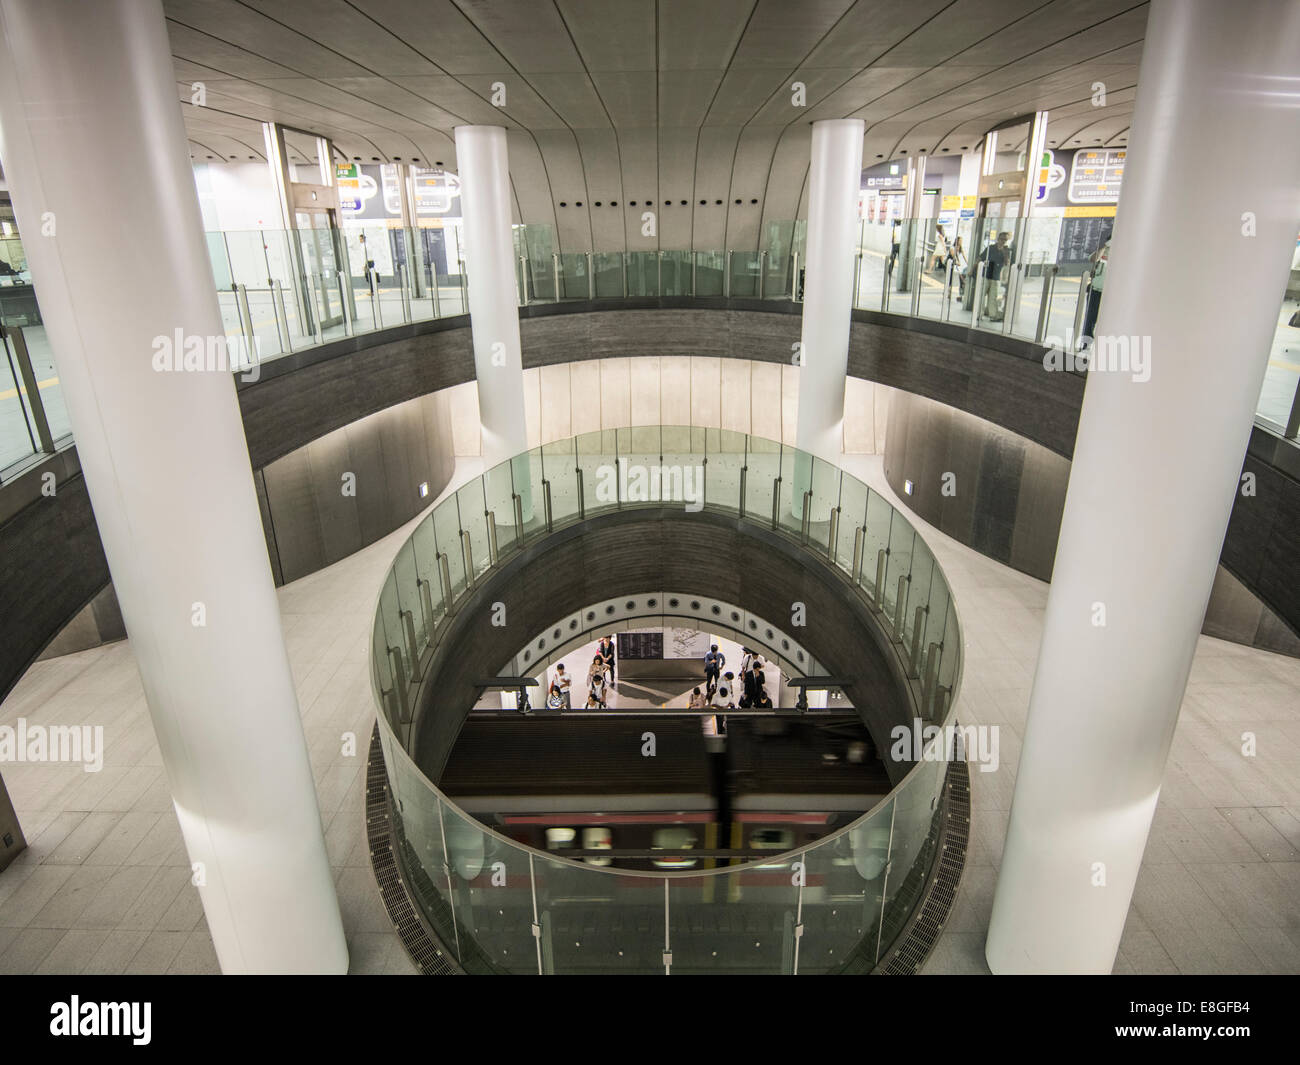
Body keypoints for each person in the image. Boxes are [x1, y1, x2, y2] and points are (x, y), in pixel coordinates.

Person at [1080, 238, 1111, 348]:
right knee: (1090, 318)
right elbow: (1093, 258)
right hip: (1095, 290)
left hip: (1110, 294)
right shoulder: (1103, 252)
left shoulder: (1122, 253)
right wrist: (1105, 246)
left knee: (1105, 320)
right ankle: (1086, 343)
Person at [978, 231, 1011, 321]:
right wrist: (973, 269)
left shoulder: (1006, 251)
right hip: (986, 274)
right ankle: (978, 314)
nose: (1003, 241)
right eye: (1002, 239)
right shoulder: (991, 248)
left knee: (993, 297)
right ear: (998, 239)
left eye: (1005, 240)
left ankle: (993, 315)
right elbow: (981, 258)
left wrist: (1004, 253)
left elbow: (1007, 263)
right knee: (981, 295)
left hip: (996, 277)